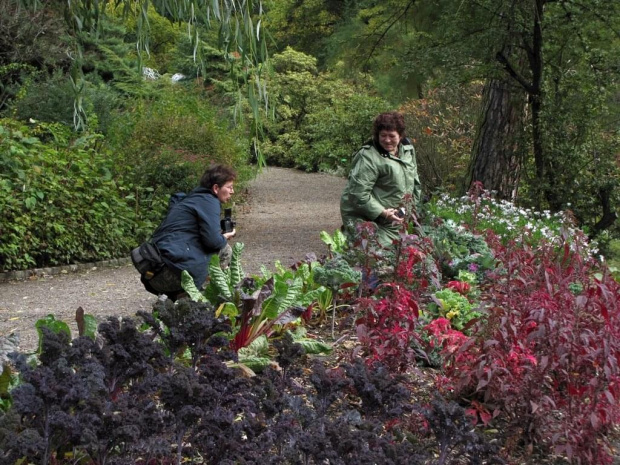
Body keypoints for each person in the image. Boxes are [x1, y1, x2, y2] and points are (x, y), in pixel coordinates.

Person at [142, 164, 237, 300]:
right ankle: (197, 299)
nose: (232, 191)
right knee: (225, 250)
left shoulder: (190, 199)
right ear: (216, 188)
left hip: (153, 273)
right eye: (229, 187)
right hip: (172, 274)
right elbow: (213, 242)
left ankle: (176, 302)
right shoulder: (209, 201)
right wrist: (224, 237)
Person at [340, 111, 421, 247]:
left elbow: (415, 182)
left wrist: (410, 208)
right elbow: (358, 194)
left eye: (392, 136)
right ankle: (352, 233)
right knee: (378, 255)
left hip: (395, 216)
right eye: (383, 135)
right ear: (377, 136)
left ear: (400, 136)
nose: (387, 140)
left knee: (409, 251)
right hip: (368, 215)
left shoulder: (407, 150)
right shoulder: (368, 157)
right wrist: (382, 212)